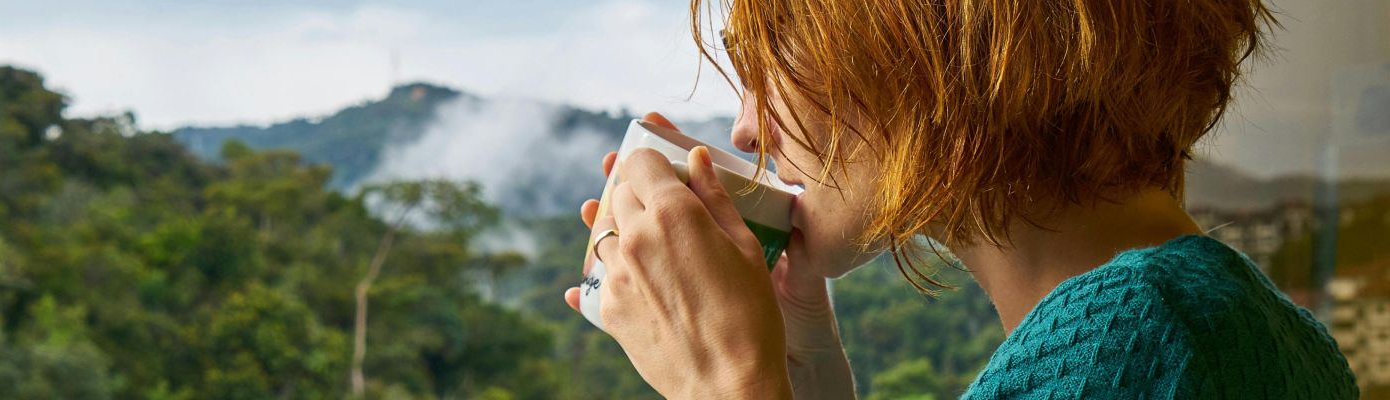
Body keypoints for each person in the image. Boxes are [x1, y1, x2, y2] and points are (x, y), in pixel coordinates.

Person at [562, 0, 1360, 398]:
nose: (745, 129)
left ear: (927, 42)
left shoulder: (1131, 347)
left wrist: (728, 381)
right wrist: (804, 373)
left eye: (776, 62)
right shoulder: (1258, 332)